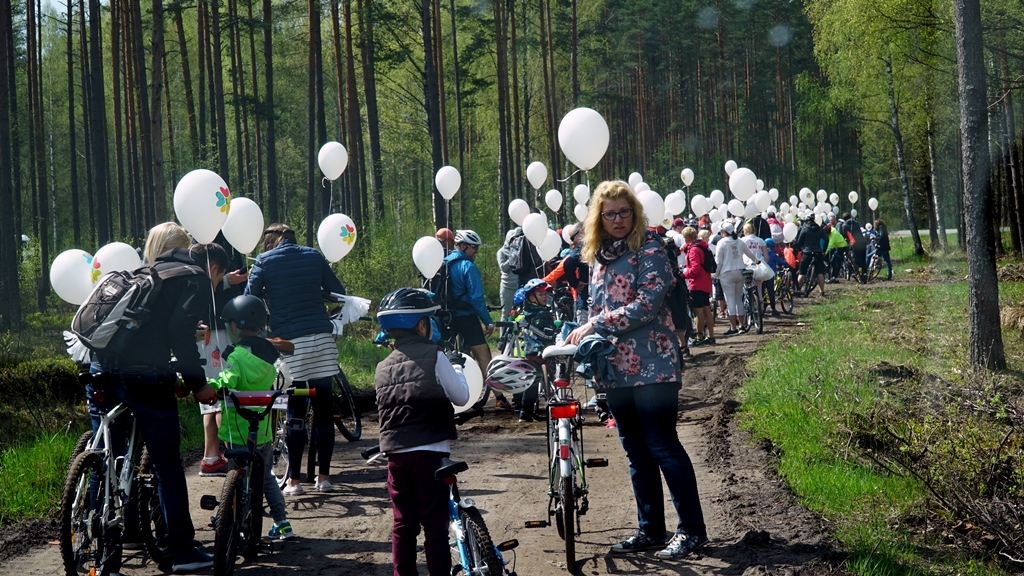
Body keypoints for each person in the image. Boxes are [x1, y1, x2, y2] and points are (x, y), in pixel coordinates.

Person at [566, 180, 707, 560]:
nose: (617, 219)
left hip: (654, 365)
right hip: (614, 367)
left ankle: (692, 531)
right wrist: (579, 330)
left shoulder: (651, 250)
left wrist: (596, 325)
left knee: (662, 445)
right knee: (635, 451)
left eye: (624, 212)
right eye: (609, 213)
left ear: (635, 213)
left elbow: (646, 305)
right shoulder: (597, 257)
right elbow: (592, 308)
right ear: (598, 217)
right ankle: (651, 530)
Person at [92, 243, 228, 574]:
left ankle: (102, 546)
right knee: (167, 464)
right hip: (145, 375)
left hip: (102, 369)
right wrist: (198, 385)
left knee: (109, 458)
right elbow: (179, 336)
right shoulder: (193, 278)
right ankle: (181, 551)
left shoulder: (148, 272)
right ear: (214, 269)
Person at [374, 288, 470, 576]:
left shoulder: (382, 367)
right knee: (434, 523)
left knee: (403, 524)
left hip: (396, 455)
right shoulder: (434, 355)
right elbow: (461, 396)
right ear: (420, 325)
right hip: (431, 452)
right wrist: (457, 368)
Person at [245, 223, 346, 494]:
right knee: (324, 411)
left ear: (269, 242)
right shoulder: (314, 255)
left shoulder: (264, 261)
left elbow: (249, 300)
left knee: (296, 412)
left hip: (292, 346)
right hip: (322, 342)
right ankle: (324, 479)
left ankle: (294, 482)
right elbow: (337, 291)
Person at [205, 295, 296, 540]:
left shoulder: (235, 356)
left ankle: (230, 517)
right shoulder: (270, 356)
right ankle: (283, 522)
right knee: (266, 478)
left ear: (234, 326)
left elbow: (229, 382)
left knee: (237, 477)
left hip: (238, 431)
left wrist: (212, 385)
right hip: (263, 429)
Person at [197, 231, 250, 477]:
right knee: (223, 397)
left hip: (202, 334)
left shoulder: (197, 247)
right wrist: (229, 281)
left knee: (210, 395)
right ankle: (230, 457)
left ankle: (210, 457)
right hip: (220, 332)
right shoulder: (227, 247)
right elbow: (210, 288)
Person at [443, 229, 508, 409]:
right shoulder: (468, 267)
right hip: (467, 318)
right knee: (483, 356)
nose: (476, 252)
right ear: (463, 247)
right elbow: (477, 299)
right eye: (474, 248)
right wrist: (488, 321)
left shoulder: (443, 263)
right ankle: (500, 397)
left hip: (447, 318)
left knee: (443, 355)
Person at [512, 278, 556, 422]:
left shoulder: (526, 313)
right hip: (539, 352)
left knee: (532, 382)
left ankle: (525, 411)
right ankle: (529, 410)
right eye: (541, 294)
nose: (545, 297)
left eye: (545, 294)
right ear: (532, 297)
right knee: (541, 379)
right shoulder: (542, 314)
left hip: (531, 352)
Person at [715, 222, 758, 336]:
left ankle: (733, 327)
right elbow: (750, 254)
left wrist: (716, 275)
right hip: (740, 271)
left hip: (727, 273)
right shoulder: (740, 241)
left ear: (724, 232)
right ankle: (742, 325)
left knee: (730, 300)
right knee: (739, 299)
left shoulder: (721, 243)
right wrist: (757, 262)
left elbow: (719, 262)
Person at [543, 223, 590, 323]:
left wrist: (575, 283)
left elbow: (562, 269)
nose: (572, 242)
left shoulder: (578, 251)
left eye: (573, 238)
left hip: (582, 297)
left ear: (581, 231)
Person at [681, 227, 714, 345]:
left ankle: (699, 337)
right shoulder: (702, 246)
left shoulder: (694, 250)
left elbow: (695, 269)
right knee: (707, 310)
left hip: (697, 284)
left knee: (698, 312)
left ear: (688, 238)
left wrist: (684, 273)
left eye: (684, 238)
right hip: (706, 282)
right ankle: (711, 335)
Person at [794, 216, 827, 296]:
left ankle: (798, 290)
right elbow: (826, 239)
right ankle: (822, 291)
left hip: (807, 252)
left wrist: (801, 249)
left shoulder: (804, 229)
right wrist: (823, 250)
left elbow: (799, 241)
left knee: (802, 272)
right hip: (818, 252)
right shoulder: (819, 229)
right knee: (820, 272)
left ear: (806, 221)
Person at [496, 228, 520, 321]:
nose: (514, 241)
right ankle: (503, 335)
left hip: (518, 285)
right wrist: (512, 257)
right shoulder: (501, 252)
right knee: (506, 313)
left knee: (518, 313)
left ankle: (515, 335)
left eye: (515, 239)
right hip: (507, 287)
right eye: (512, 239)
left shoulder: (519, 251)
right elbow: (503, 268)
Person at [842, 212, 868, 283]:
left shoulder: (844, 225)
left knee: (857, 260)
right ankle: (865, 274)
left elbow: (846, 236)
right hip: (862, 242)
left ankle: (860, 275)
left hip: (855, 244)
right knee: (863, 260)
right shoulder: (856, 223)